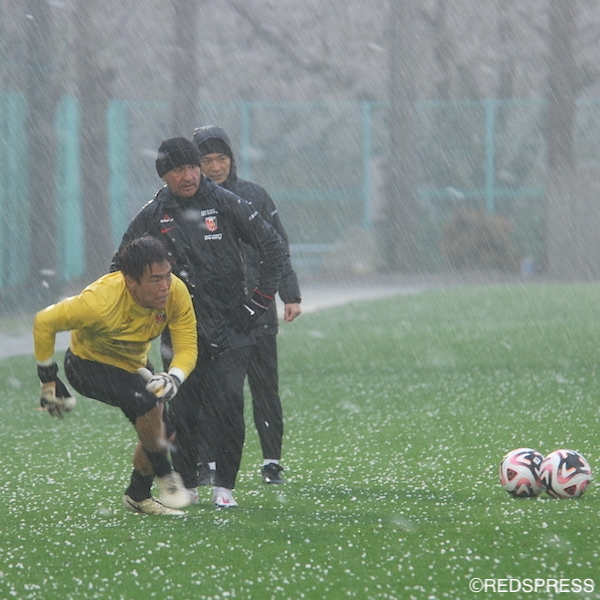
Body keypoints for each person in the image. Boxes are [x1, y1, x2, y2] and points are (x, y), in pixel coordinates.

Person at [112, 137, 287, 508]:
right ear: (164, 175)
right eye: (179, 169)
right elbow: (120, 268)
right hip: (179, 329)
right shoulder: (154, 213)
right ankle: (188, 484)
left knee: (229, 401)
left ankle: (225, 487)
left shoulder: (226, 202)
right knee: (182, 408)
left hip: (233, 324)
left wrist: (257, 303)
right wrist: (146, 312)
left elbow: (273, 248)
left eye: (193, 167)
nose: (189, 175)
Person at [33, 236, 198, 516]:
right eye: (155, 279)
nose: (165, 286)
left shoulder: (176, 291)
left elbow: (187, 346)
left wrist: (174, 378)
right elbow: (44, 321)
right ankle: (166, 475)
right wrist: (49, 379)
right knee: (149, 405)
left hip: (133, 366)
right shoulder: (99, 300)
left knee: (166, 430)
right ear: (131, 281)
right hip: (87, 365)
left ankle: (138, 495)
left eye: (167, 276)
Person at [192, 125, 302, 486]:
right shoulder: (187, 202)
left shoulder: (254, 196)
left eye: (221, 158)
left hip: (258, 306)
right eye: (207, 160)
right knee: (214, 391)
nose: (215, 166)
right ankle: (208, 464)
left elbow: (278, 246)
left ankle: (272, 463)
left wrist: (290, 293)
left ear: (231, 159)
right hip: (212, 313)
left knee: (265, 387)